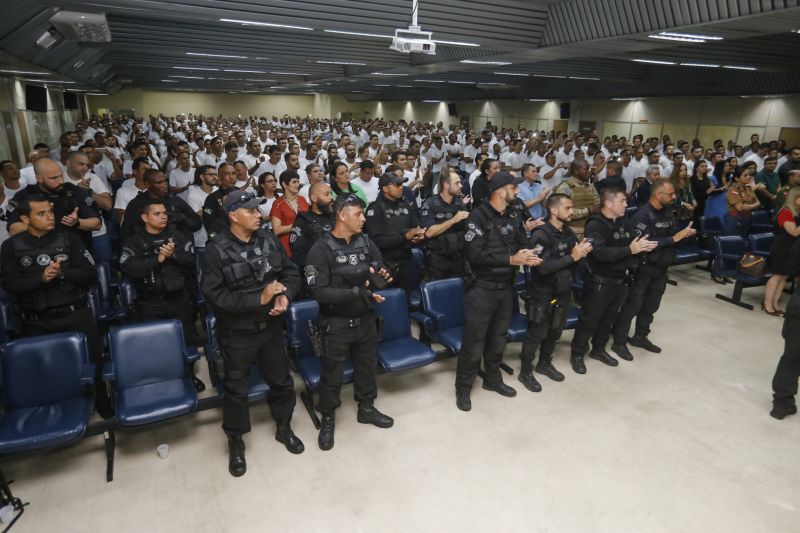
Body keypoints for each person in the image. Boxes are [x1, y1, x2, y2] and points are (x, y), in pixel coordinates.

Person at [202, 190, 305, 478]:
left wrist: (285, 296)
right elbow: (215, 297)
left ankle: (283, 427)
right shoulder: (216, 249)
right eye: (251, 211)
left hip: (271, 328)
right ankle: (236, 441)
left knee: (282, 382)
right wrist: (257, 300)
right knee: (236, 391)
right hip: (237, 333)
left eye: (258, 209)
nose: (259, 215)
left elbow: (291, 273)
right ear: (233, 215)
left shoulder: (267, 238)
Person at [0, 194, 111, 416]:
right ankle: (59, 412)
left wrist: (61, 274)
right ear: (25, 218)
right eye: (41, 214)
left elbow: (89, 273)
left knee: (94, 362)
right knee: (47, 371)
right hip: (37, 320)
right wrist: (41, 279)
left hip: (76, 314)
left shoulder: (70, 238)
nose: (49, 217)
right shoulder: (11, 247)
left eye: (50, 212)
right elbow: (9, 284)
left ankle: (103, 403)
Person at [304, 194, 395, 451]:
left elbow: (379, 266)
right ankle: (329, 417)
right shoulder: (319, 249)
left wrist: (381, 277)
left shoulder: (365, 241)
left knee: (367, 367)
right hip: (336, 323)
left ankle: (366, 407)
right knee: (332, 374)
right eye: (358, 214)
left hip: (366, 318)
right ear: (342, 215)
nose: (364, 219)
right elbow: (319, 292)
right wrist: (357, 292)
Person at [456, 172, 541, 411]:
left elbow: (519, 241)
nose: (518, 192)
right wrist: (510, 258)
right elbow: (476, 255)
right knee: (474, 342)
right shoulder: (477, 217)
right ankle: (463, 388)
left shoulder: (513, 214)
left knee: (498, 339)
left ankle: (493, 380)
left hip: (506, 288)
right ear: (501, 190)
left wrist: (526, 255)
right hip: (481, 290)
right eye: (514, 188)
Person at [119, 199, 205, 390]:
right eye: (157, 214)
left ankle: (188, 375)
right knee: (155, 344)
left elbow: (191, 260)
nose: (163, 216)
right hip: (150, 302)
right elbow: (129, 267)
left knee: (186, 340)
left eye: (164, 213)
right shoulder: (134, 240)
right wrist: (157, 259)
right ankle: (162, 379)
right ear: (145, 217)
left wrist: (173, 255)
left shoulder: (177, 235)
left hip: (179, 298)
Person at [569, 188, 657, 373]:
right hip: (600, 282)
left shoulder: (623, 221)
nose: (626, 205)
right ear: (608, 204)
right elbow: (601, 253)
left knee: (608, 318)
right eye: (622, 201)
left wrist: (641, 248)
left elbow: (633, 242)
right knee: (590, 319)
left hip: (620, 280)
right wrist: (630, 251)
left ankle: (598, 349)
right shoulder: (595, 225)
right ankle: (577, 353)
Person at [611, 178, 696, 360]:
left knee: (651, 306)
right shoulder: (642, 216)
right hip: (643, 269)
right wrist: (674, 239)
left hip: (661, 268)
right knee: (631, 307)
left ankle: (641, 336)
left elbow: (672, 235)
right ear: (658, 195)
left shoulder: (667, 212)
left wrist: (683, 235)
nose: (674, 197)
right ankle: (619, 342)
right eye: (670, 194)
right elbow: (645, 244)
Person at [517, 193, 592, 391]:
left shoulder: (567, 233)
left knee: (554, 332)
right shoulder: (541, 234)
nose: (572, 211)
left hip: (562, 292)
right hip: (543, 294)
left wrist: (582, 255)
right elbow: (543, 267)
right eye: (567, 208)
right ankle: (526, 372)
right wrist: (573, 258)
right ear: (553, 210)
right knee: (536, 333)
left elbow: (573, 263)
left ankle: (544, 363)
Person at [7, 158, 101, 248]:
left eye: (61, 176)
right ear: (39, 178)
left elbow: (96, 224)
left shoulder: (74, 192)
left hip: (74, 252)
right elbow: (13, 229)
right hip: (39, 253)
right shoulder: (24, 196)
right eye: (54, 178)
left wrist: (76, 222)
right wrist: (41, 223)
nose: (60, 181)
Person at [365, 172, 425, 294]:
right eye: (397, 185)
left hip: (406, 262)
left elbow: (416, 227)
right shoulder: (374, 209)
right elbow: (377, 242)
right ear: (385, 188)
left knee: (406, 301)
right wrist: (405, 236)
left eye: (402, 184)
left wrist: (418, 237)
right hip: (384, 266)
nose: (401, 187)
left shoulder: (406, 204)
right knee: (387, 303)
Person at [120, 169, 202, 242]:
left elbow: (197, 223)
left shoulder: (175, 200)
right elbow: (126, 232)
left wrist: (183, 220)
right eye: (159, 182)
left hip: (178, 250)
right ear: (147, 185)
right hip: (149, 252)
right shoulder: (136, 204)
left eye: (166, 181)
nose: (165, 185)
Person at [420, 170, 469, 280]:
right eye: (457, 183)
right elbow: (429, 232)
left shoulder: (459, 203)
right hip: (438, 260)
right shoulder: (430, 204)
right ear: (446, 185)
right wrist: (452, 220)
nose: (461, 185)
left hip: (458, 259)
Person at [763, 188, 800, 316]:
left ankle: (775, 303)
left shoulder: (797, 213)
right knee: (777, 276)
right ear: (794, 198)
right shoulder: (786, 213)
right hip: (782, 248)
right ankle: (767, 303)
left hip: (793, 249)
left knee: (784, 276)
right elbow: (794, 232)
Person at [290, 182, 334, 269]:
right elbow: (299, 256)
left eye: (331, 194)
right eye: (327, 194)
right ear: (314, 198)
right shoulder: (302, 222)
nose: (331, 197)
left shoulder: (335, 217)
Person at [553, 159, 600, 240]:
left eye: (589, 169)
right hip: (572, 233)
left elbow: (597, 205)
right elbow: (562, 212)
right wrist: (588, 211)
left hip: (591, 231)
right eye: (585, 169)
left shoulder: (590, 187)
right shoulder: (565, 187)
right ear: (576, 171)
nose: (589, 172)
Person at [723, 166, 764, 238]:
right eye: (745, 175)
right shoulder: (732, 190)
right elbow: (740, 208)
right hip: (735, 220)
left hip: (747, 218)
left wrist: (750, 206)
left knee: (745, 242)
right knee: (734, 243)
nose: (749, 177)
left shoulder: (748, 188)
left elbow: (759, 202)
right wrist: (754, 205)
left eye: (748, 175)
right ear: (737, 178)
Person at [202, 162, 238, 241]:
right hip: (223, 242)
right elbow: (209, 223)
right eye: (226, 174)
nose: (231, 177)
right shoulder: (211, 199)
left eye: (233, 173)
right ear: (219, 177)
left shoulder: (245, 195)